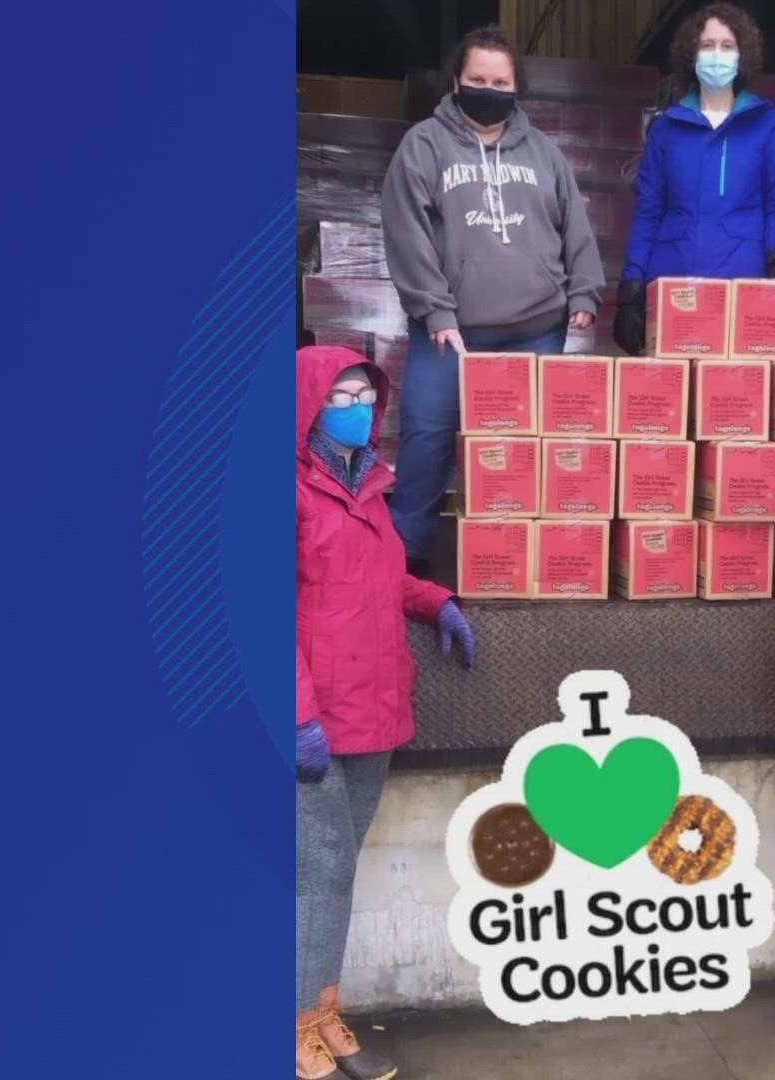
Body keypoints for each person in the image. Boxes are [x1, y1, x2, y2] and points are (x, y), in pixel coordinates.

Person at [294, 344, 478, 1080]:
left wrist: (437, 602)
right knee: (320, 867)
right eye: (339, 396)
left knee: (334, 874)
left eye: (365, 395)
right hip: (314, 718)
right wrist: (296, 713)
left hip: (370, 707)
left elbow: (386, 578)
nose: (356, 407)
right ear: (307, 403)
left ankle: (322, 1012)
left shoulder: (369, 484)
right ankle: (295, 1021)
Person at [380, 25, 605, 573]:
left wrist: (585, 288)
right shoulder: (424, 146)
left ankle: (532, 562)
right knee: (428, 439)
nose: (488, 88)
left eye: (499, 80)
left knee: (535, 454)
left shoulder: (543, 152)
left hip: (537, 329)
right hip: (451, 333)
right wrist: (435, 309)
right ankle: (405, 560)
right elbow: (405, 229)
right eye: (477, 78)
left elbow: (575, 223)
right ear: (456, 80)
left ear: (515, 86)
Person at [613, 2, 775, 356]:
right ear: (691, 54)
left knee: (732, 403)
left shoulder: (768, 124)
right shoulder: (667, 128)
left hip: (743, 285)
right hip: (674, 284)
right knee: (674, 403)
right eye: (707, 45)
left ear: (742, 56)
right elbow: (649, 212)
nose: (717, 55)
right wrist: (632, 287)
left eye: (727, 46)